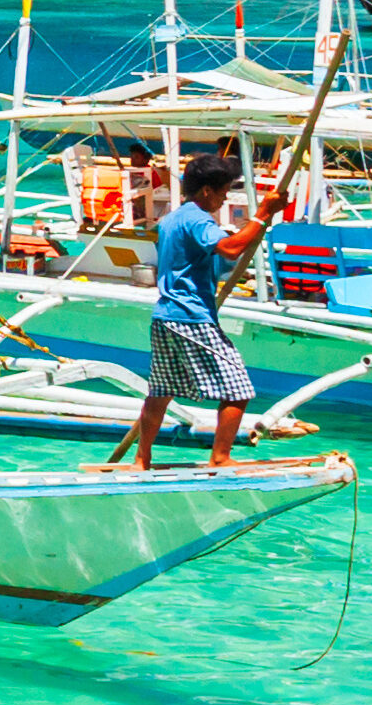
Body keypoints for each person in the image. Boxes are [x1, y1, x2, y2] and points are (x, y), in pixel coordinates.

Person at [113, 147, 284, 469]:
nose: (222, 201)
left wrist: (254, 230)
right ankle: (220, 457)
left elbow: (209, 261)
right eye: (221, 194)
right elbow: (230, 249)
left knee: (161, 391)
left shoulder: (171, 219)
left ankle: (141, 459)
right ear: (207, 191)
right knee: (238, 389)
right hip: (190, 316)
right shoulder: (197, 219)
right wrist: (262, 214)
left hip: (164, 316)